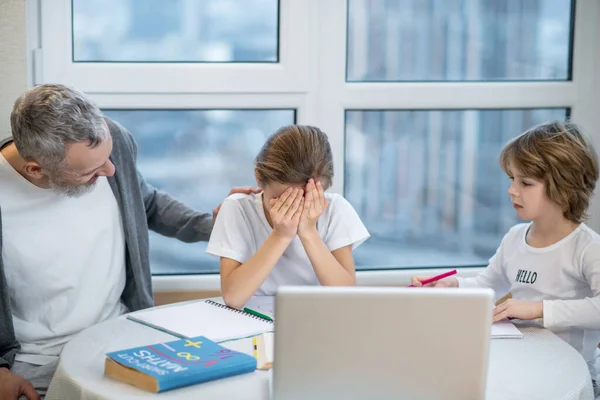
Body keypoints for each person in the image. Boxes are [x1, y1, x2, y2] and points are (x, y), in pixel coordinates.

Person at [0, 83, 260, 400]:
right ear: (36, 169)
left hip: (123, 344)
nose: (111, 170)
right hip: (34, 372)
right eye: (93, 172)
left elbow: (145, 203)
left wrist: (214, 225)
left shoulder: (112, 143)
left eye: (109, 158)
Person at [411, 121, 600, 395]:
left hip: (572, 378)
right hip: (524, 364)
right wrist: (454, 286)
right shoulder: (515, 238)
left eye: (526, 182)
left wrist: (538, 309)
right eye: (511, 179)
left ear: (565, 187)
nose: (512, 190)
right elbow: (488, 284)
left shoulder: (587, 248)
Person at [206, 125, 370, 309]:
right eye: (282, 201)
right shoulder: (236, 209)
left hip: (319, 319)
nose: (293, 209)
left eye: (306, 199)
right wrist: (281, 236)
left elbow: (347, 297)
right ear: (259, 178)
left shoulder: (335, 209)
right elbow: (233, 298)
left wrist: (309, 233)